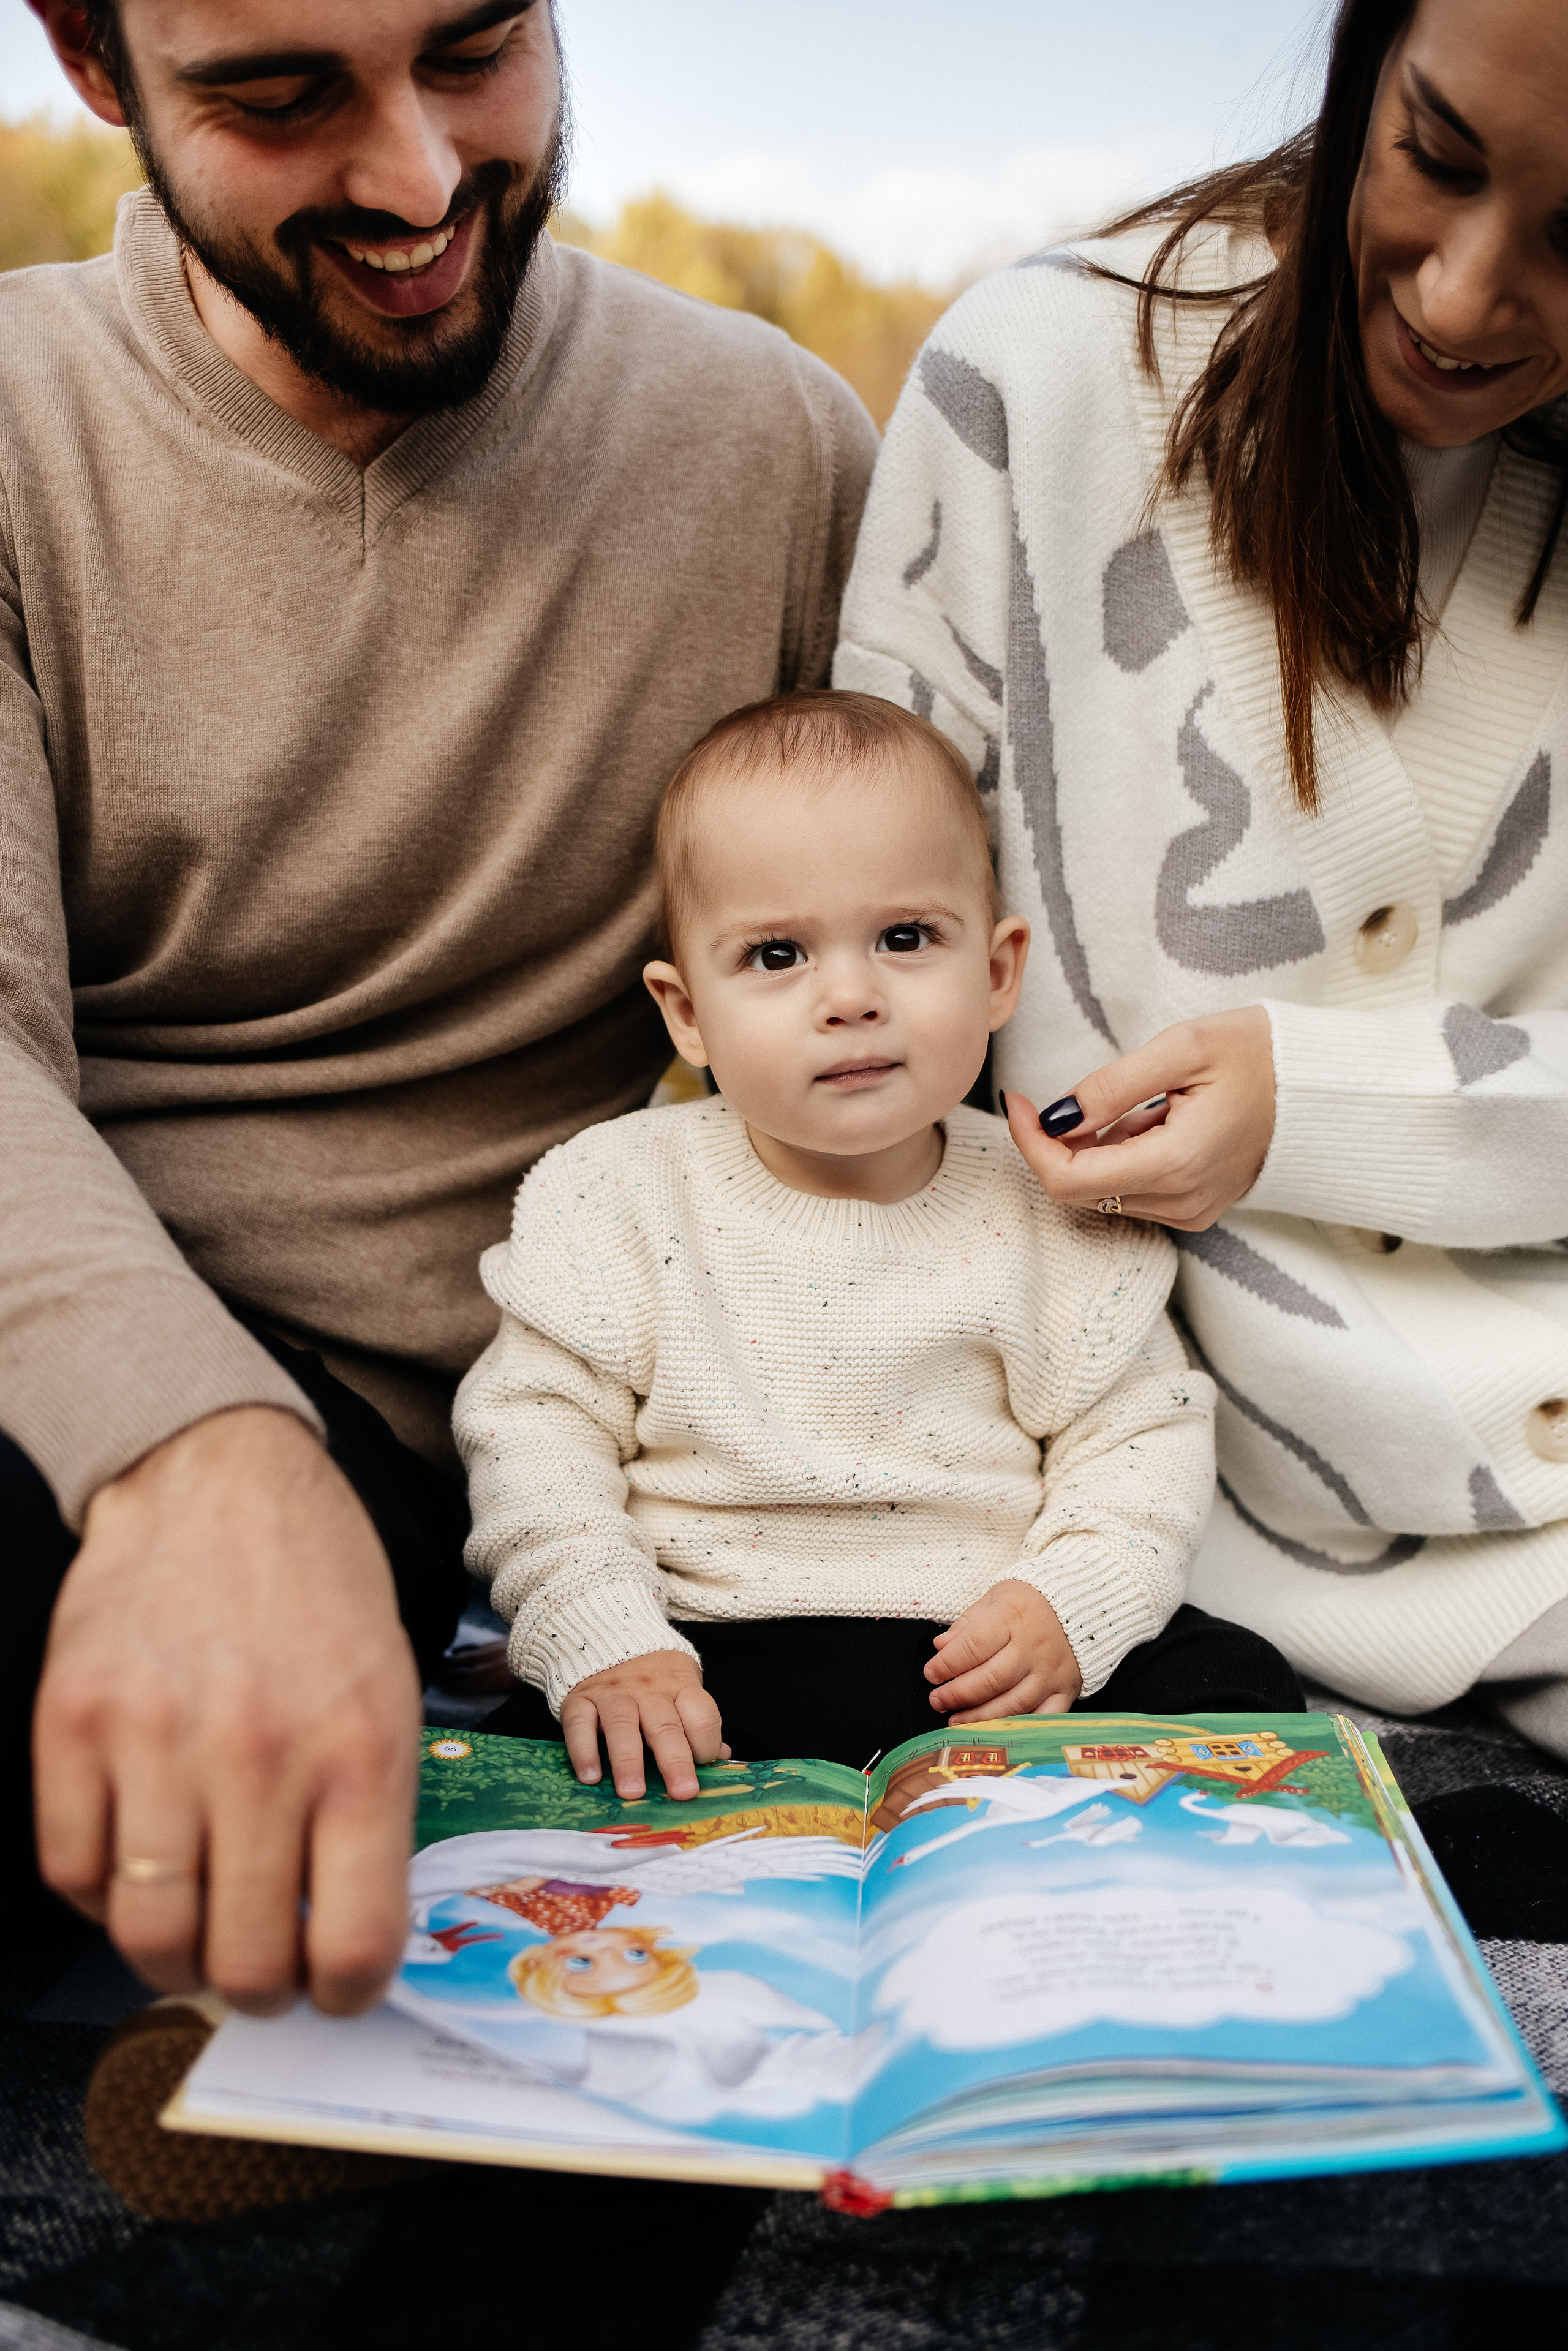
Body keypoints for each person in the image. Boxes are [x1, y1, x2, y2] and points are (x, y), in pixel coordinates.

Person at [3, 0, 878, 2027]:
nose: (415, 181)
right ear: (90, 59)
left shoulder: (775, 450)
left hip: (383, 1420)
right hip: (83, 1320)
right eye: (283, 96)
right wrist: (186, 1449)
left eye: (476, 46)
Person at [832, 0, 1568, 1750]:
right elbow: (857, 995)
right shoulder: (1034, 385)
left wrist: (1307, 1103)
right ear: (1362, 58)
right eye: (1436, 159)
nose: (1463, 298)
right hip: (1146, 1516)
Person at [456, 689, 1303, 1799]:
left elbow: (1140, 1444)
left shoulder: (1054, 1201)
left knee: (1242, 1688)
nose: (850, 996)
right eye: (775, 955)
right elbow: (534, 1443)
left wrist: (1067, 1602)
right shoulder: (614, 1193)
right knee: (537, 1743)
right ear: (687, 1011)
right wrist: (605, 1634)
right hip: (708, 1649)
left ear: (999, 971)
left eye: (905, 938)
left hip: (979, 1663)